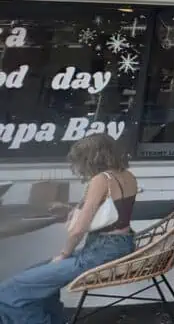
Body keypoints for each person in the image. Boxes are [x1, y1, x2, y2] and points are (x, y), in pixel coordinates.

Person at [0, 135, 137, 324]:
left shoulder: (101, 179)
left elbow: (78, 230)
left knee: (11, 291)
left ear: (92, 158)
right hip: (118, 246)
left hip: (99, 252)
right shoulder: (126, 175)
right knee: (35, 281)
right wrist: (67, 209)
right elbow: (110, 213)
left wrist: (64, 254)